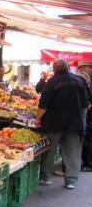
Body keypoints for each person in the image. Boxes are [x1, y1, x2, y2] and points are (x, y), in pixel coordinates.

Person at [35, 59, 90, 189]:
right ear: (68, 68)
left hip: (54, 123)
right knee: (73, 151)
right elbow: (86, 104)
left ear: (55, 70)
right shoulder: (80, 81)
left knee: (49, 150)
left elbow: (44, 104)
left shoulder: (52, 82)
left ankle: (45, 177)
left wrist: (38, 118)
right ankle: (71, 180)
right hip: (75, 123)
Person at [76, 60, 92, 170]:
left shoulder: (88, 79)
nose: (80, 70)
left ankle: (88, 163)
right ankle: (85, 162)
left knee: (89, 139)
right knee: (86, 138)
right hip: (86, 114)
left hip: (89, 115)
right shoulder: (86, 78)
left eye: (82, 68)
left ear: (87, 67)